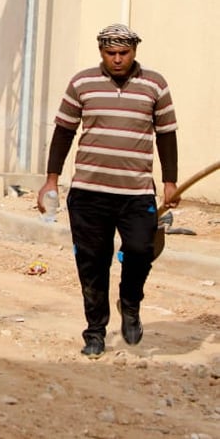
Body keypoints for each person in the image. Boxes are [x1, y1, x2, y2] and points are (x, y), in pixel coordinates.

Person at [37, 23, 179, 359]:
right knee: (92, 264)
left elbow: (167, 134)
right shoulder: (82, 83)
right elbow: (63, 132)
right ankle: (95, 332)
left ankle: (130, 303)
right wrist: (51, 179)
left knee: (140, 250)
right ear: (101, 52)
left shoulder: (154, 85)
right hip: (89, 192)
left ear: (134, 52)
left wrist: (170, 182)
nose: (117, 59)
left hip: (137, 192)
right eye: (111, 53)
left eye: (124, 53)